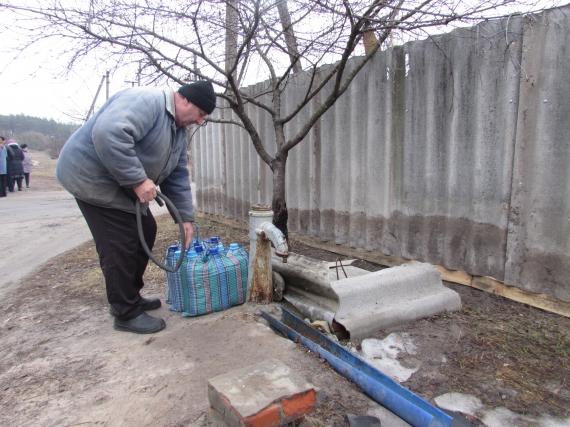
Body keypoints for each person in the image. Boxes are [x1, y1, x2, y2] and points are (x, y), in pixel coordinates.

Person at [55, 81, 216, 334]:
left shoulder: (177, 130)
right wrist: (138, 181)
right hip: (91, 178)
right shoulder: (147, 101)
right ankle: (125, 312)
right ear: (185, 100)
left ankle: (130, 295)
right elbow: (109, 133)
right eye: (201, 114)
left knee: (147, 230)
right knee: (118, 242)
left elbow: (176, 175)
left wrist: (184, 218)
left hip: (117, 183)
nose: (199, 122)